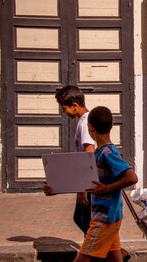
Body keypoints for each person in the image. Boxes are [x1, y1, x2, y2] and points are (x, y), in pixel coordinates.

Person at [75, 105, 138, 262]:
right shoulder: (101, 152)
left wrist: (106, 189)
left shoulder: (108, 153)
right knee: (114, 256)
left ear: (90, 129)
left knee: (83, 258)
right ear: (112, 126)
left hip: (104, 217)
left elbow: (132, 177)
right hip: (111, 215)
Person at [54, 85, 96, 234]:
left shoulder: (85, 123)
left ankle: (105, 253)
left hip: (90, 182)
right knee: (85, 221)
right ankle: (112, 253)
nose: (64, 112)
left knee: (86, 222)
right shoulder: (84, 120)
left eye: (64, 108)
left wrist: (83, 189)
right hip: (90, 181)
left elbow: (88, 154)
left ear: (75, 105)